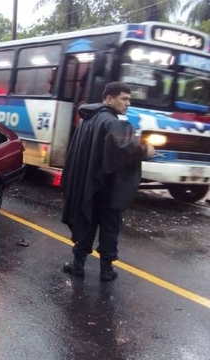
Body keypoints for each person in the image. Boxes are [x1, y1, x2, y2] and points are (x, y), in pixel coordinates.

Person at [61, 82, 155, 282]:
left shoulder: (88, 118)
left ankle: (78, 265)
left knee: (86, 220)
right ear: (109, 98)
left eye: (129, 99)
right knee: (110, 226)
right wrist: (146, 150)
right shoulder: (112, 122)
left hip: (88, 183)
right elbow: (124, 149)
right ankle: (106, 270)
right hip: (108, 186)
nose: (128, 103)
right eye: (124, 98)